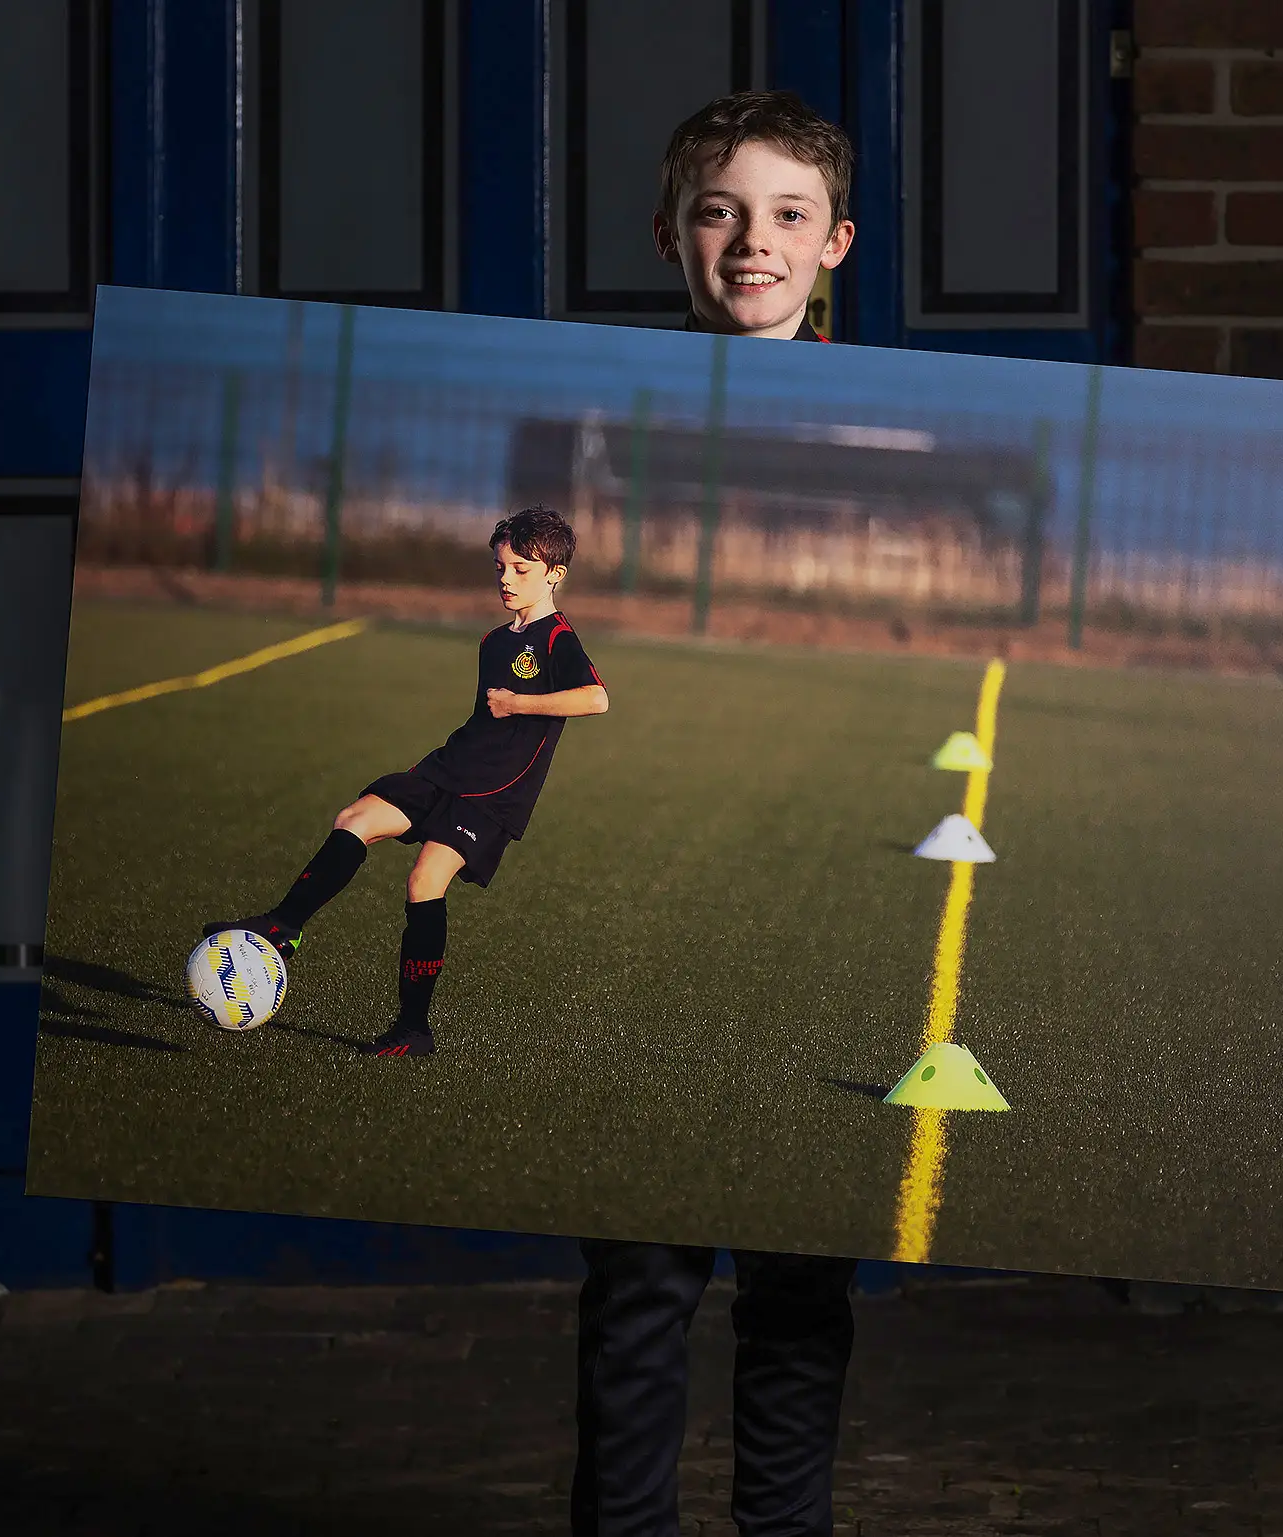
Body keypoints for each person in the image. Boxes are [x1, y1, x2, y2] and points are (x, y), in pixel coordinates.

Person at [568, 91, 860, 1537]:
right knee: (639, 1277)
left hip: (818, 898)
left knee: (801, 1284)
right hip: (659, 895)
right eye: (721, 212)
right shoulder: (607, 432)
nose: (754, 243)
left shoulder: (893, 428)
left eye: (788, 215)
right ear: (673, 238)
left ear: (836, 246)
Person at [202, 505, 607, 1058]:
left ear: (554, 574)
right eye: (500, 567)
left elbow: (595, 698)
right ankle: (284, 926)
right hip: (448, 767)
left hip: (494, 794)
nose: (505, 579)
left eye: (520, 569)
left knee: (424, 883)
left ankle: (413, 1029)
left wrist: (519, 702)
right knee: (355, 820)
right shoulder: (494, 641)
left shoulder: (558, 638)